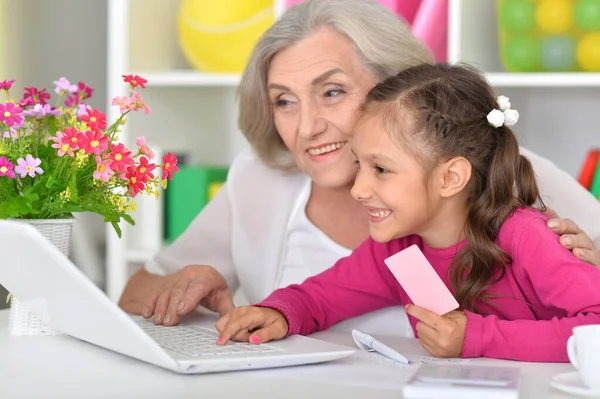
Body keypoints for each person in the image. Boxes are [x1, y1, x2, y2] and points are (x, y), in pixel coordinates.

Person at [118, 0, 600, 337]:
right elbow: (324, 295)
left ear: (398, 89)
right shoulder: (399, 249)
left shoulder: (501, 171)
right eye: (284, 101)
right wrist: (266, 309)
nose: (308, 127)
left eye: (332, 92)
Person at [215, 63, 600, 363]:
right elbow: (320, 298)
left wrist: (477, 337)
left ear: (451, 177)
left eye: (380, 169)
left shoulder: (527, 237)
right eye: (359, 165)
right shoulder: (400, 252)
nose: (358, 189)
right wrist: (279, 313)